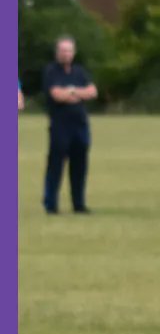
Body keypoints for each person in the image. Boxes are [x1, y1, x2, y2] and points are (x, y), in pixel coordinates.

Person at [42, 37, 97, 215]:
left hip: (80, 125)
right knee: (56, 165)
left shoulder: (79, 71)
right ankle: (51, 204)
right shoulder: (51, 72)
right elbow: (57, 95)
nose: (66, 53)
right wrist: (76, 92)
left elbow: (92, 92)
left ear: (74, 52)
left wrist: (72, 91)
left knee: (80, 166)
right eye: (63, 50)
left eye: (69, 50)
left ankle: (79, 204)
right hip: (60, 126)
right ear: (57, 52)